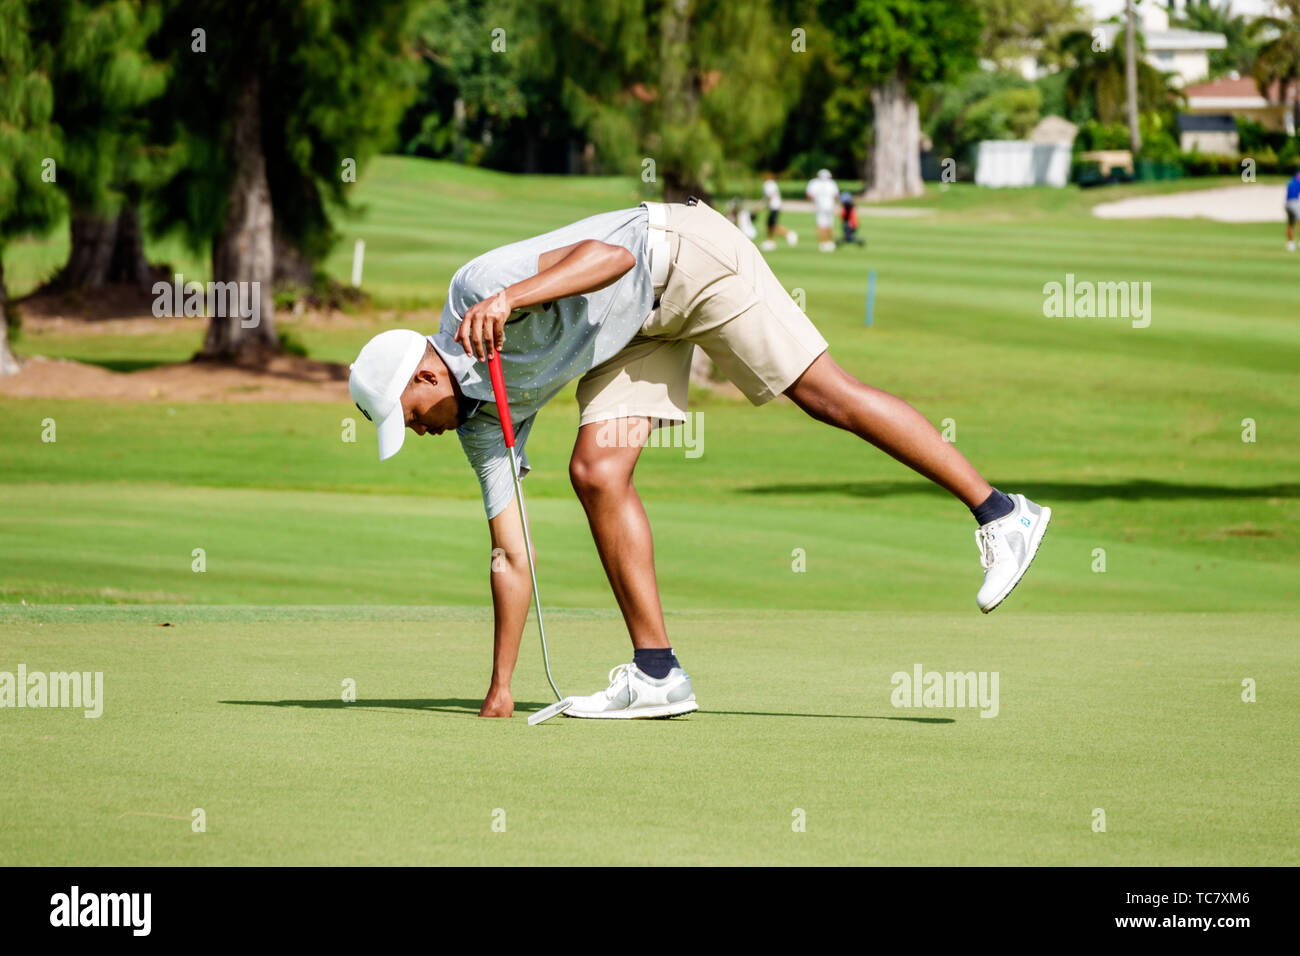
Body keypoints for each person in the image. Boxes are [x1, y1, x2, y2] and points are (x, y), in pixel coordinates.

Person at [348, 198, 1052, 720]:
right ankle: (658, 671)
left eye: (412, 419)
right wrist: (501, 687)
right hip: (633, 331)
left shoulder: (476, 289)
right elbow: (510, 556)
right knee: (596, 472)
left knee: (825, 396)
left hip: (680, 255)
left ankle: (1001, 512)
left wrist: (513, 296)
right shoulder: (478, 427)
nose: (418, 433)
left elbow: (613, 257)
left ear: (426, 378)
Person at [805, 168, 839, 252]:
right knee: (829, 225)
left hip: (820, 207)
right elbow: (836, 195)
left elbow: (809, 194)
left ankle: (823, 243)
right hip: (829, 206)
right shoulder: (831, 183)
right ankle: (830, 243)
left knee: (821, 225)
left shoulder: (814, 183)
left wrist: (813, 202)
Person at [761, 173, 797, 250]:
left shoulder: (767, 184)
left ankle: (788, 234)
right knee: (769, 224)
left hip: (774, 206)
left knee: (772, 225)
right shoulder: (773, 184)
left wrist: (762, 206)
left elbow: (769, 196)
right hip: (775, 206)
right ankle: (770, 241)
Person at [1286, 169, 1300, 252]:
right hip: (1295, 203)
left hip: (1287, 204)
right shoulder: (1298, 182)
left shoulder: (1290, 181)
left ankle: (1290, 244)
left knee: (1290, 224)